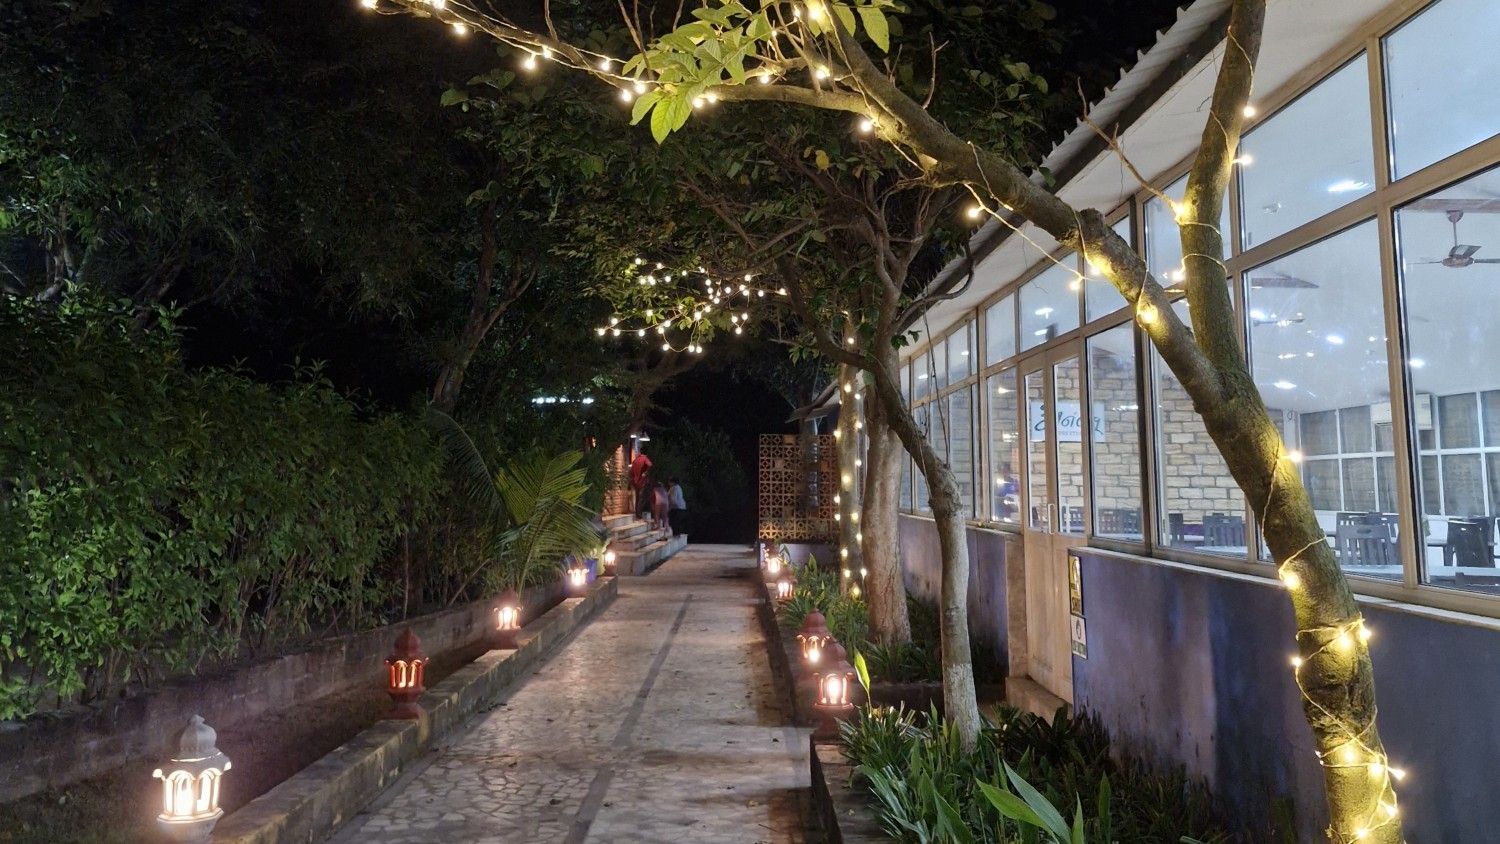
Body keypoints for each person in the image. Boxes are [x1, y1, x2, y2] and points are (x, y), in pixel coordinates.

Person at [630, 446, 652, 520]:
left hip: (635, 482)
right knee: (642, 498)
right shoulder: (645, 458)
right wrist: (646, 473)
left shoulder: (635, 460)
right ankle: (639, 514)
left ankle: (637, 513)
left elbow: (631, 472)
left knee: (637, 498)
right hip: (643, 482)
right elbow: (650, 465)